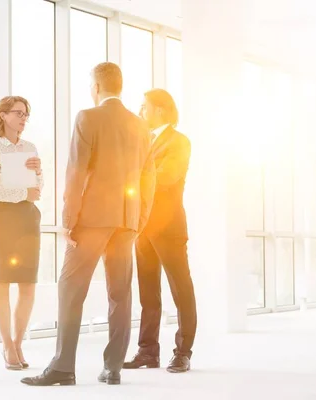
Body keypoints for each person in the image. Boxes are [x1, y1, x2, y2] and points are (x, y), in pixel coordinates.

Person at [21, 62, 156, 386]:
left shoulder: (88, 117)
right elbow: (149, 177)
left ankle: (63, 367)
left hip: (92, 220)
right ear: (119, 86)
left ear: (96, 87)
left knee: (70, 288)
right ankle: (113, 368)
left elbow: (76, 172)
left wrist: (68, 219)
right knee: (120, 294)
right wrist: (139, 219)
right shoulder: (140, 126)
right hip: (126, 222)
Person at [124, 89, 197, 373]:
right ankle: (147, 352)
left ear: (161, 111)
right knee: (148, 293)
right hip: (143, 227)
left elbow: (167, 176)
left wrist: (135, 170)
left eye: (144, 107)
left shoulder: (179, 142)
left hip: (169, 227)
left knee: (181, 289)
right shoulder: (143, 142)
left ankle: (183, 352)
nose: (140, 112)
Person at [0, 96, 43, 370]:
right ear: (3, 115)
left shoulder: (30, 147)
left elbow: (38, 190)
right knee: (2, 281)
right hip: (3, 218)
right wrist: (21, 192)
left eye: (26, 114)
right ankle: (6, 344)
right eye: (18, 113)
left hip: (28, 217)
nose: (23, 118)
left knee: (28, 284)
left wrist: (38, 173)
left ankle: (18, 342)